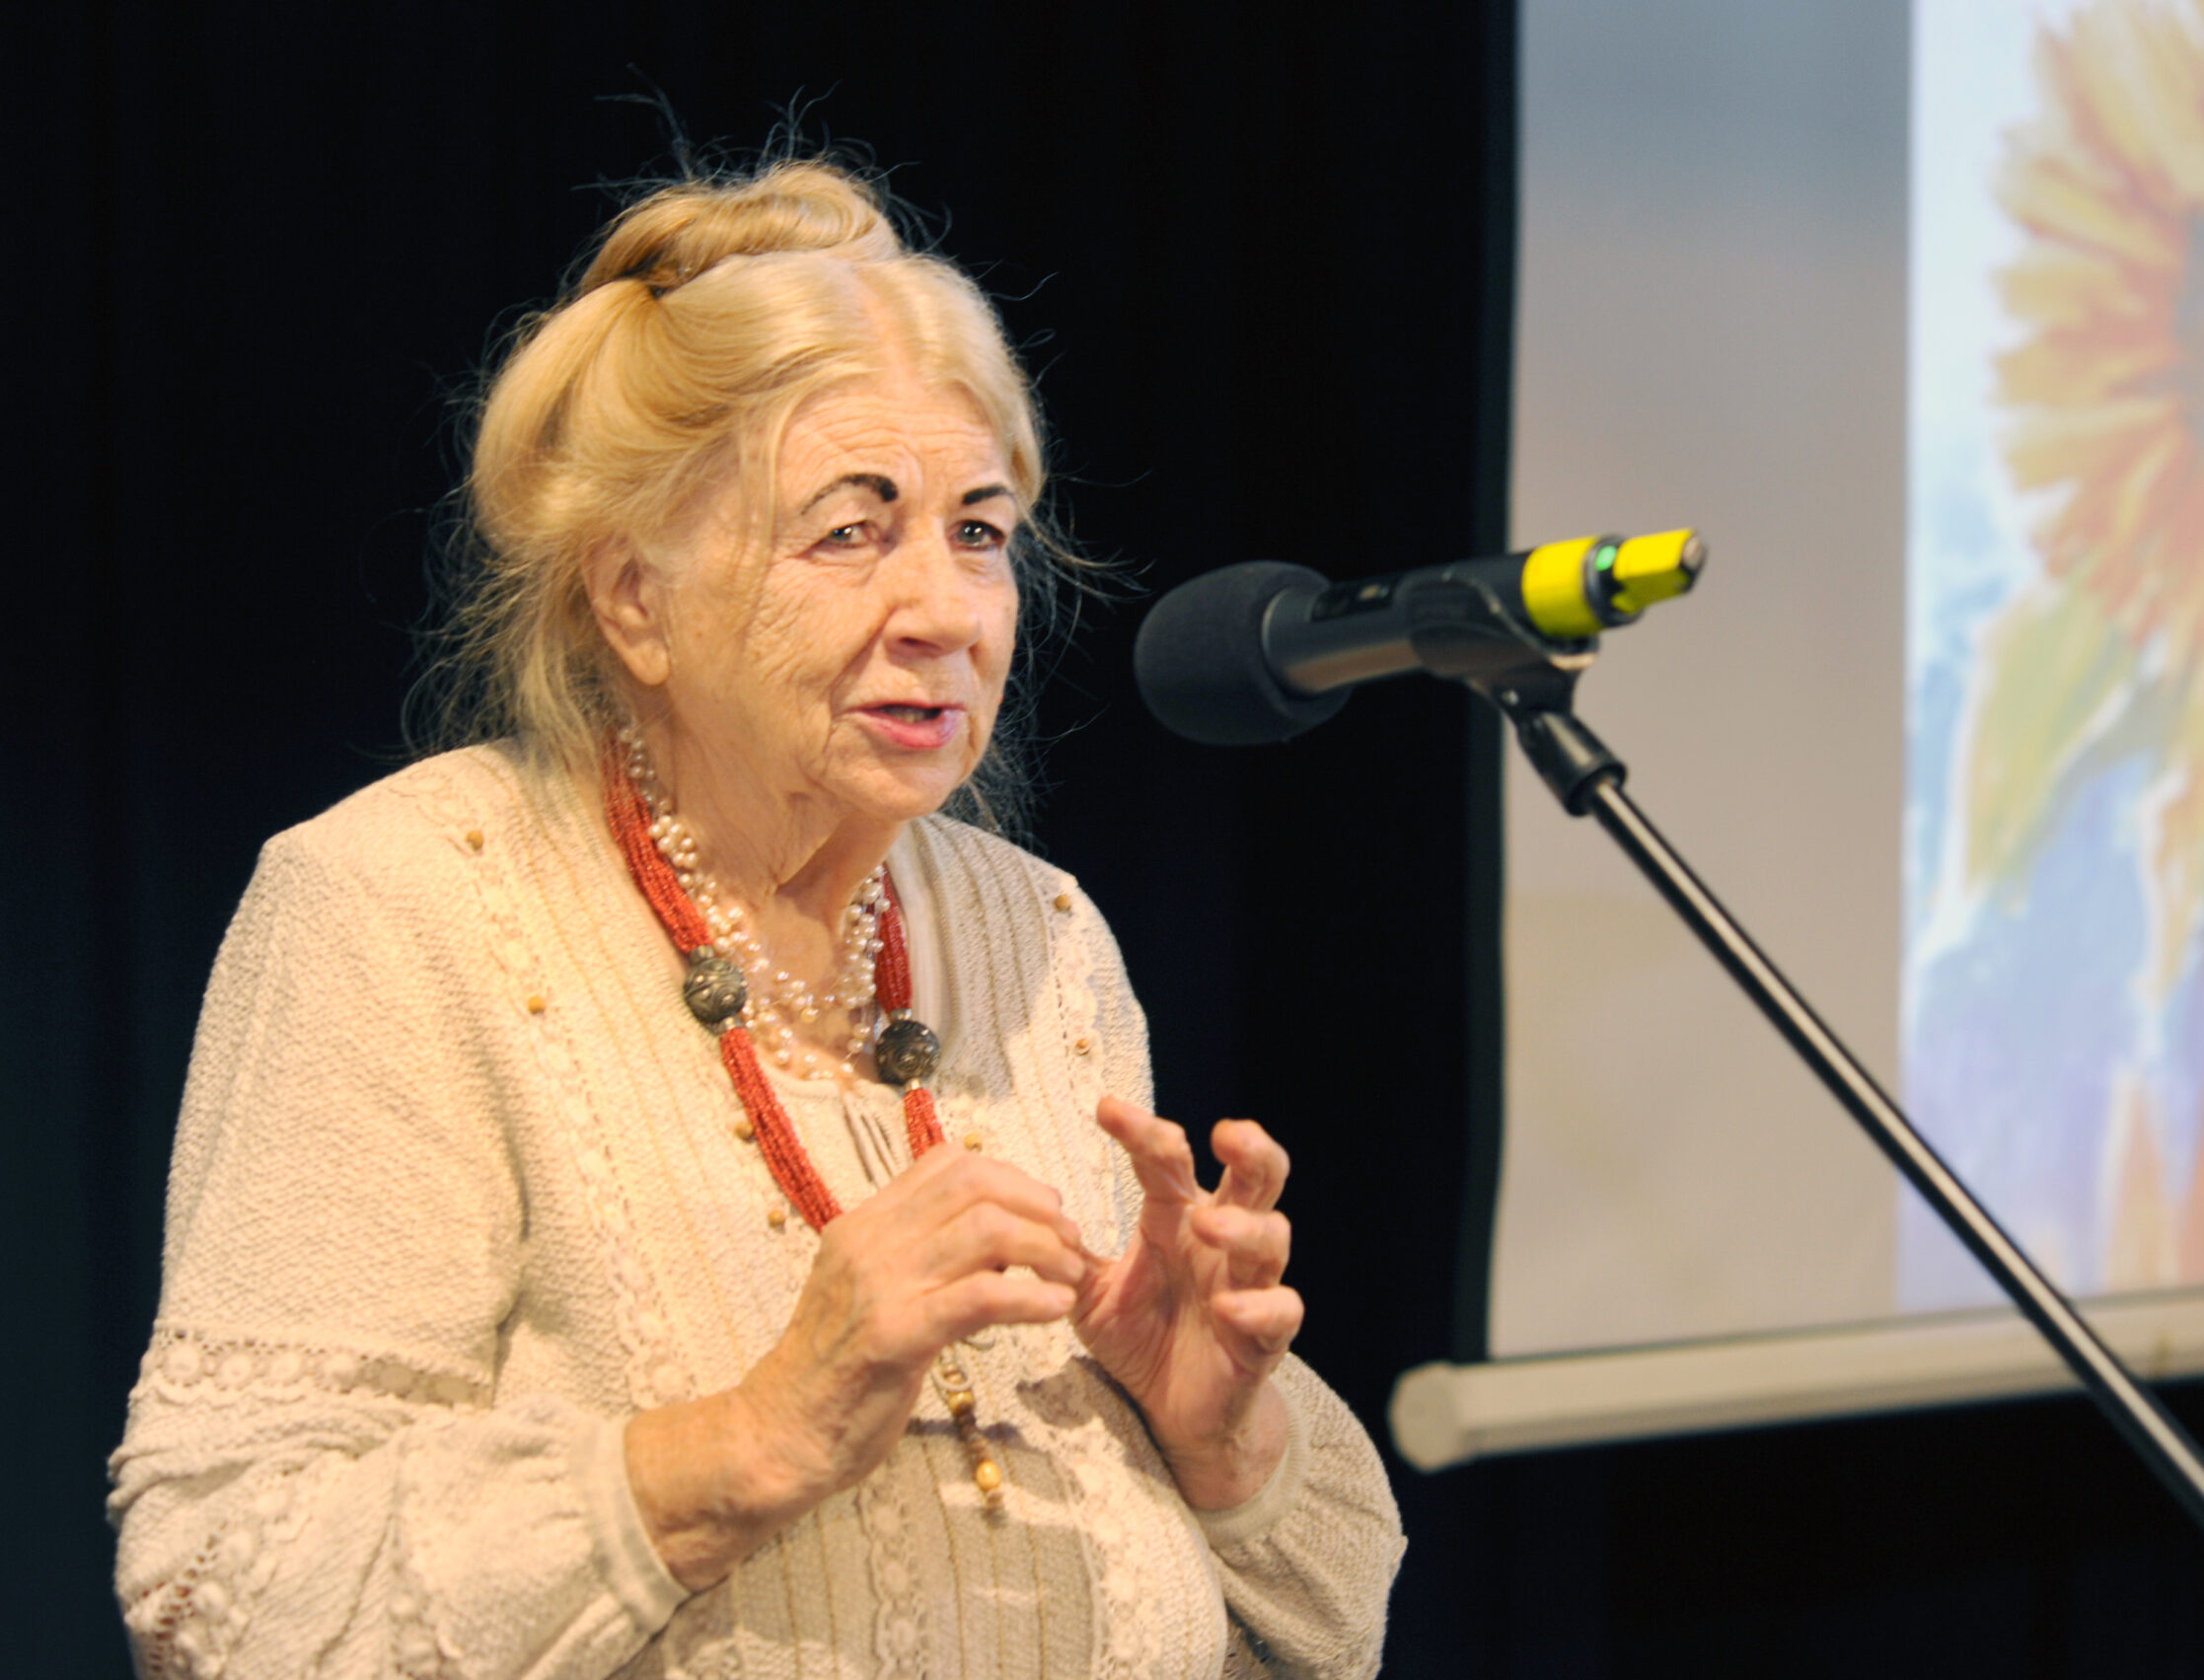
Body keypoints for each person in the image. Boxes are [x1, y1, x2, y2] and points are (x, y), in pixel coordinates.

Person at [109, 157, 1404, 1680]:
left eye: (980, 533)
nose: (946, 613)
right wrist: (760, 1435)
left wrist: (1219, 1440)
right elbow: (222, 1589)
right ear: (634, 599)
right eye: (850, 533)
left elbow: (1339, 1622)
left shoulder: (1041, 933)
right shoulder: (405, 909)